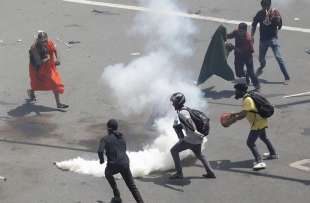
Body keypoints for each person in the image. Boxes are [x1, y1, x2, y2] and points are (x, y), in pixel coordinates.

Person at [231, 81, 279, 170]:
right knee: (264, 138)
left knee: (250, 142)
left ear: (241, 91)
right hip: (262, 120)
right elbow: (248, 111)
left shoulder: (247, 100)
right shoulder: (249, 95)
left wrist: (231, 120)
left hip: (257, 123)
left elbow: (243, 114)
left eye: (236, 90)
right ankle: (273, 154)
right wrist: (234, 114)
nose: (235, 92)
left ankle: (260, 162)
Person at [169, 92, 216, 179]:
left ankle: (179, 173)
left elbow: (189, 122)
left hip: (192, 139)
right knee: (199, 154)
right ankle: (211, 172)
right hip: (197, 138)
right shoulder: (186, 108)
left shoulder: (182, 113)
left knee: (173, 151)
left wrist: (195, 132)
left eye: (174, 102)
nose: (173, 104)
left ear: (178, 102)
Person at [97, 119, 144, 203]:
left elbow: (100, 151)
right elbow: (124, 149)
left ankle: (117, 195)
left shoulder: (105, 139)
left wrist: (101, 160)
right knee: (132, 186)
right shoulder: (121, 137)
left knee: (107, 173)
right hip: (125, 163)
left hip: (114, 165)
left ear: (108, 129)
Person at [251, 0, 290, 84]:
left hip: (273, 39)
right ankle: (262, 66)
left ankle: (286, 77)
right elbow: (254, 25)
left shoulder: (275, 13)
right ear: (262, 6)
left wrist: (275, 19)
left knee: (279, 58)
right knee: (261, 58)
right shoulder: (259, 14)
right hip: (263, 40)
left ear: (269, 5)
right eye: (264, 7)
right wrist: (252, 36)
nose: (265, 8)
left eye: (267, 6)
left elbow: (279, 26)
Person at [28, 31, 68, 108]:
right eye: (42, 41)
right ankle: (31, 92)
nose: (44, 43)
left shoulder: (49, 42)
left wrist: (58, 59)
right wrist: (46, 59)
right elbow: (38, 62)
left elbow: (56, 50)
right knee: (36, 84)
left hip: (49, 67)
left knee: (55, 83)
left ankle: (58, 104)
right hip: (37, 69)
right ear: (38, 40)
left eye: (45, 40)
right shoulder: (34, 48)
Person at [227, 23, 260, 90]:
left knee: (251, 72)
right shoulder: (236, 32)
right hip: (238, 56)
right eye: (239, 30)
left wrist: (233, 47)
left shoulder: (248, 39)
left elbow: (242, 51)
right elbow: (229, 36)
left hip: (247, 56)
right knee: (238, 73)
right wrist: (221, 35)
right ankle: (246, 75)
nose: (239, 32)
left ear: (245, 31)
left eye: (241, 31)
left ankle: (256, 85)